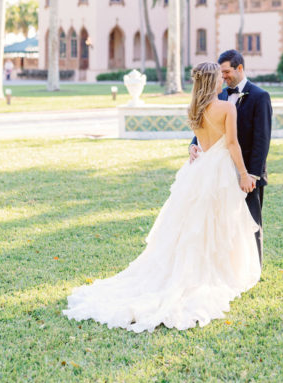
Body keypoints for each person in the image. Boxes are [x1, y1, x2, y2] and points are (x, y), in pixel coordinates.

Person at [63, 61, 261, 333]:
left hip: (199, 170)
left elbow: (201, 140)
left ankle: (199, 268)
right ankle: (214, 272)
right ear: (212, 81)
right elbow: (231, 144)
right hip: (219, 172)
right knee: (218, 222)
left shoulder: (195, 108)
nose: (221, 81)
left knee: (193, 224)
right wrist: (243, 173)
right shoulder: (226, 107)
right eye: (218, 77)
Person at [190, 49, 272, 266]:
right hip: (220, 170)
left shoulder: (260, 96)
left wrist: (251, 174)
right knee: (224, 221)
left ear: (240, 68)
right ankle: (231, 265)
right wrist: (192, 144)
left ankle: (255, 267)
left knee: (252, 221)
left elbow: (262, 139)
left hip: (248, 172)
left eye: (226, 72)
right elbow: (206, 123)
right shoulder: (220, 96)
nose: (223, 76)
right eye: (220, 73)